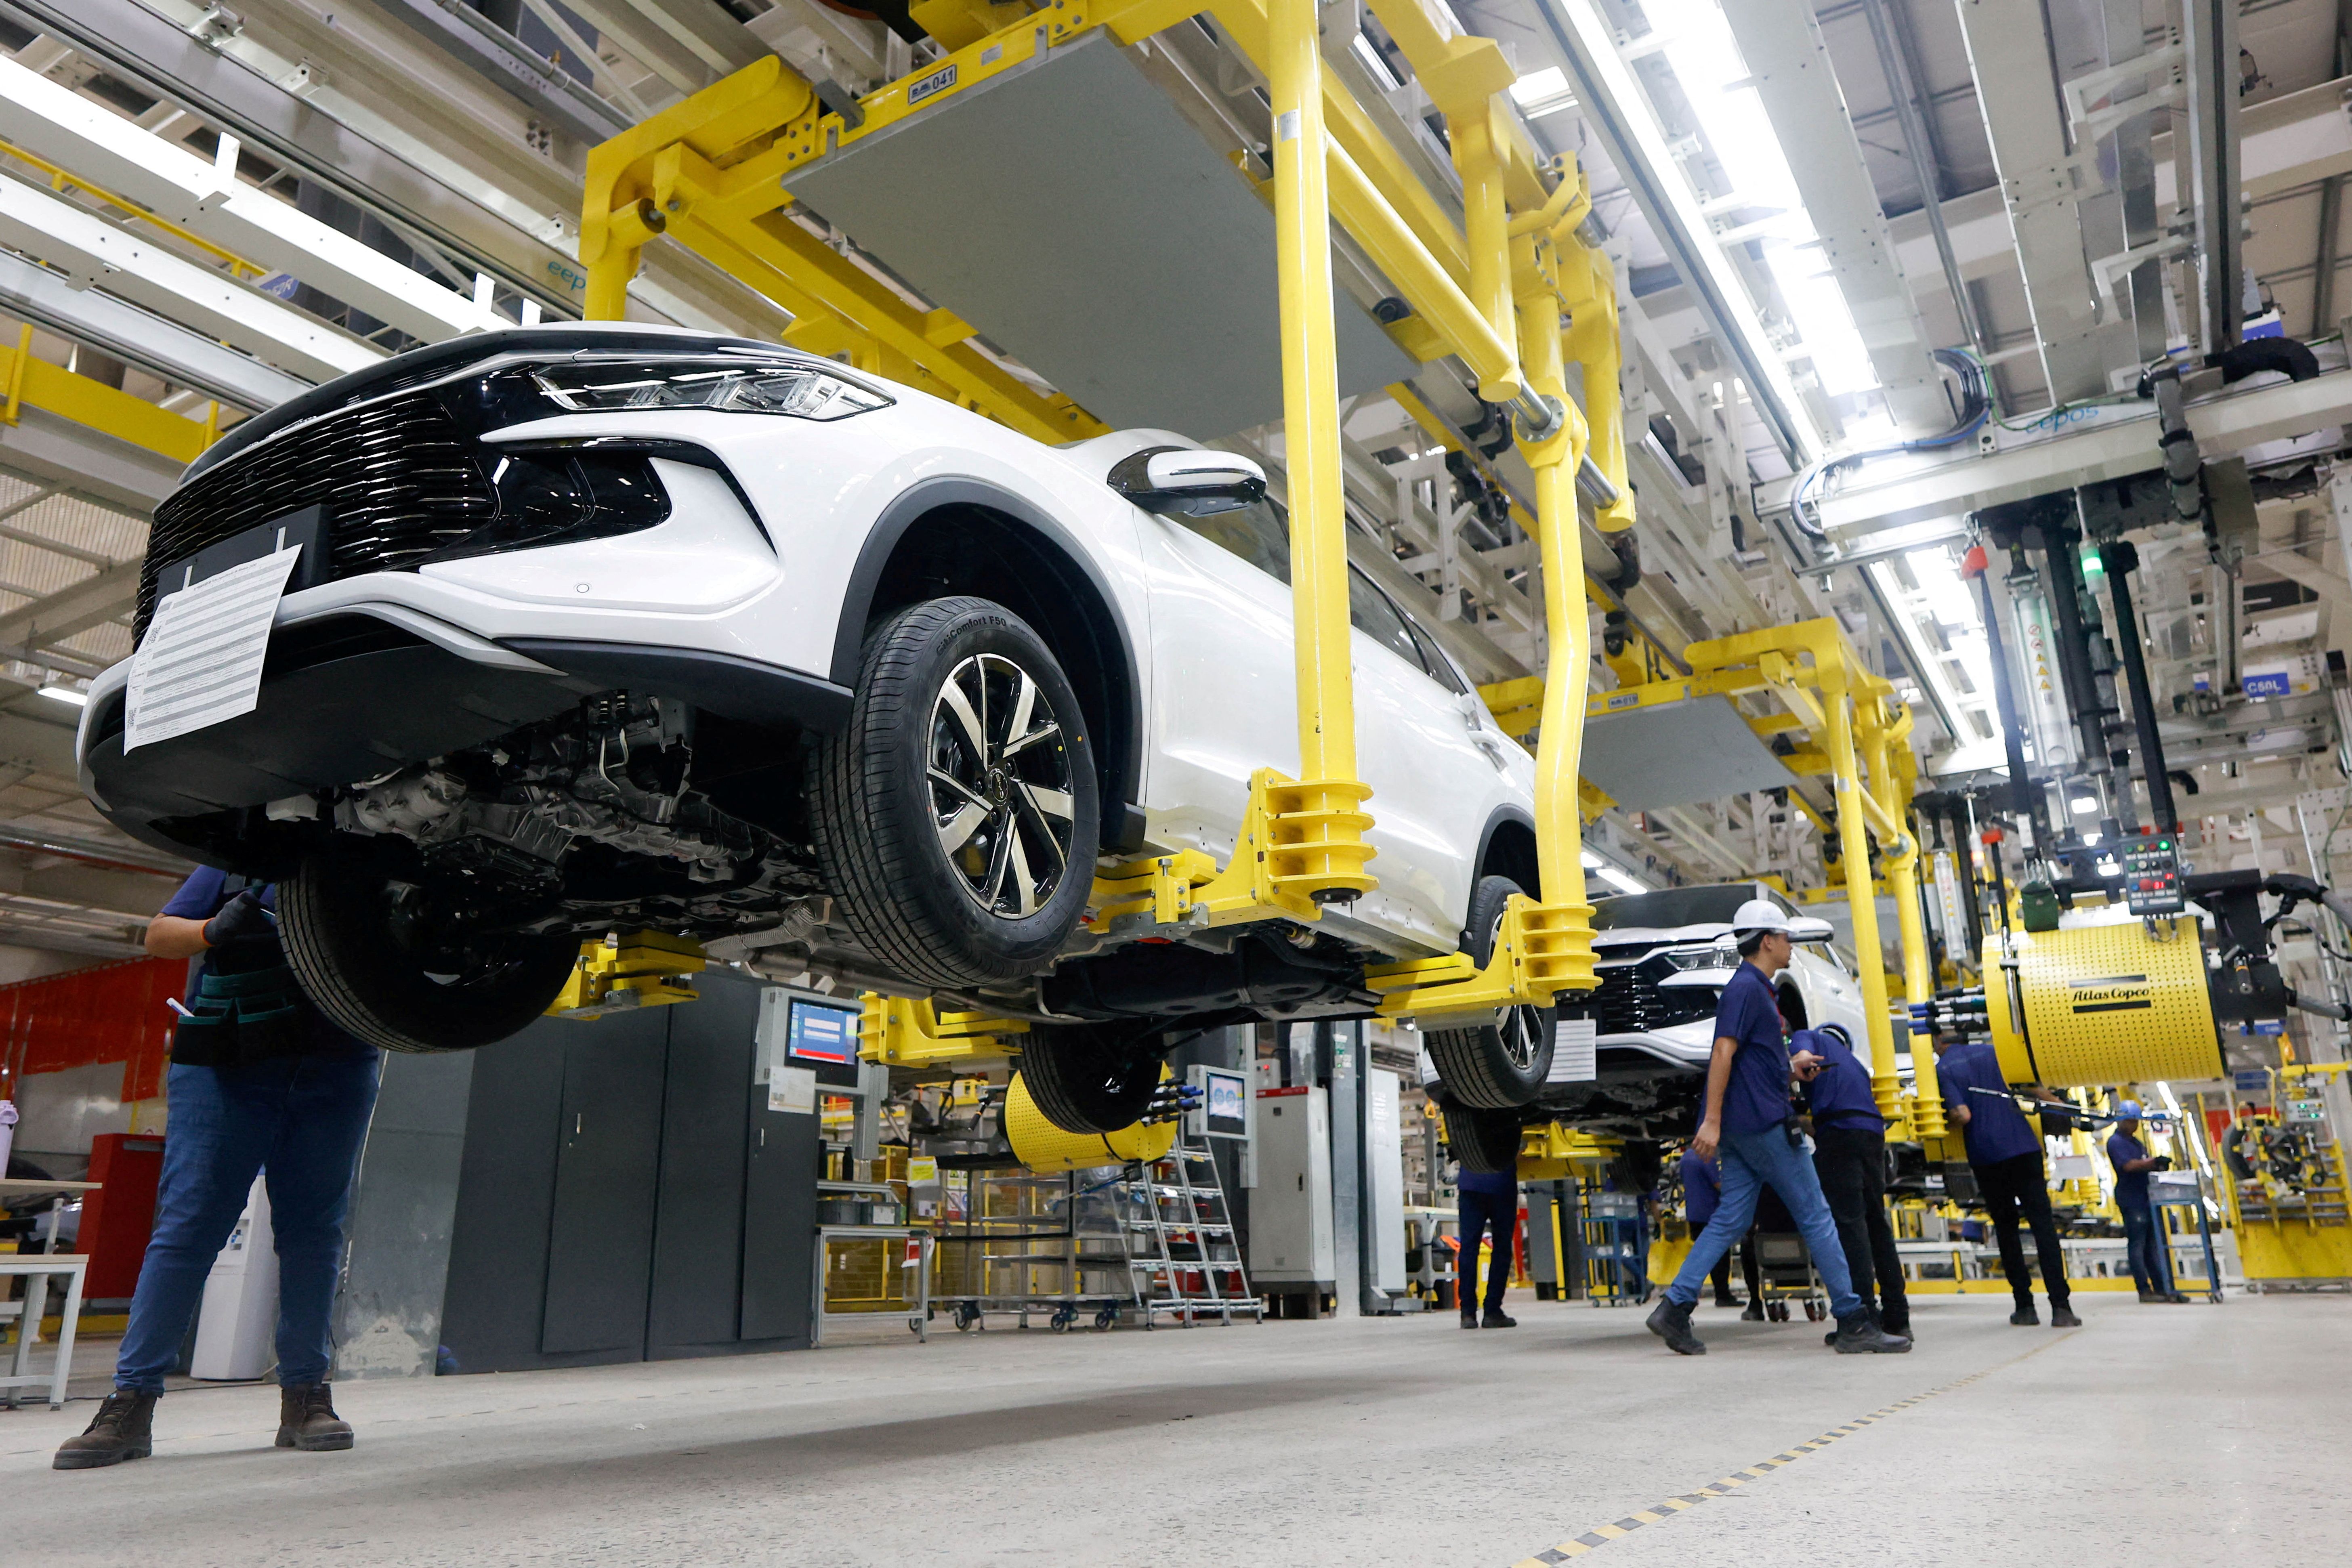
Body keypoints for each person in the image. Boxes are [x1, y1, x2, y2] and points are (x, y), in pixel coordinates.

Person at [55, 870, 381, 1470]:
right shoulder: (241, 859)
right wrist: (212, 927)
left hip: (336, 1059)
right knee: (190, 1226)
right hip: (229, 1058)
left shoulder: (377, 860)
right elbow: (159, 934)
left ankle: (306, 1396)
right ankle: (131, 1401)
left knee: (314, 1232)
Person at [1645, 900, 1909, 1355]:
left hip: (1746, 1125)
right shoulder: (1746, 989)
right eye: (1785, 937)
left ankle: (1674, 1306)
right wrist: (1709, 1120)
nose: (1790, 945)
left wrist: (1791, 1068)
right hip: (1765, 1124)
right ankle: (1853, 1319)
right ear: (1767, 941)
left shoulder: (1754, 990)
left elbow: (1750, 1062)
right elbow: (1723, 1054)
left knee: (1731, 1218)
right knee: (1817, 1217)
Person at [1934, 1033, 2079, 1328]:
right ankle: (2061, 1308)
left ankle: (2025, 1307)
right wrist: (2060, 1104)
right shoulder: (1996, 1052)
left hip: (1987, 1155)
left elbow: (1962, 1114)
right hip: (2023, 1147)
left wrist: (1941, 1120)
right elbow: (2039, 1091)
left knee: (2007, 1229)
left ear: (1938, 1041)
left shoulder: (1944, 1068)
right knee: (2043, 1226)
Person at [1795, 1026, 1911, 1341]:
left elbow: (1802, 1052)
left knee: (1850, 1225)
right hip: (1872, 1134)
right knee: (1876, 1224)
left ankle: (1865, 1319)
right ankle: (1898, 1317)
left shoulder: (1809, 1036)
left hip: (1840, 1130)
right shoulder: (1856, 1064)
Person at [2107, 1102, 2187, 1304]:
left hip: (2146, 1199)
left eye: (2136, 1121)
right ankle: (2144, 1290)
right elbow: (2129, 1166)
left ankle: (2162, 1288)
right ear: (2121, 1120)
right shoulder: (2116, 1142)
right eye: (2131, 1121)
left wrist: (2158, 1165)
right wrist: (2151, 1163)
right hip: (2132, 1199)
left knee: (2153, 1245)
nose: (2134, 1125)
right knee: (2138, 1246)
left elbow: (2142, 1162)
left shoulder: (2136, 1143)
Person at [1677, 1145, 1760, 1310]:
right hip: (1710, 1213)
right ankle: (1723, 1295)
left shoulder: (1686, 1158)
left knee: (1700, 1254)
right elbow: (1719, 1184)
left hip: (1694, 1212)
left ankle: (1689, 1294)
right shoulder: (1706, 1157)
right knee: (1719, 1257)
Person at [1455, 1156, 1517, 1328]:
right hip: (1501, 1184)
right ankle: (1492, 1311)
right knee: (1502, 1250)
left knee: (1468, 1249)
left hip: (1471, 1183)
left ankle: (1467, 1313)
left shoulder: (1469, 1127)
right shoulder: (1508, 1127)